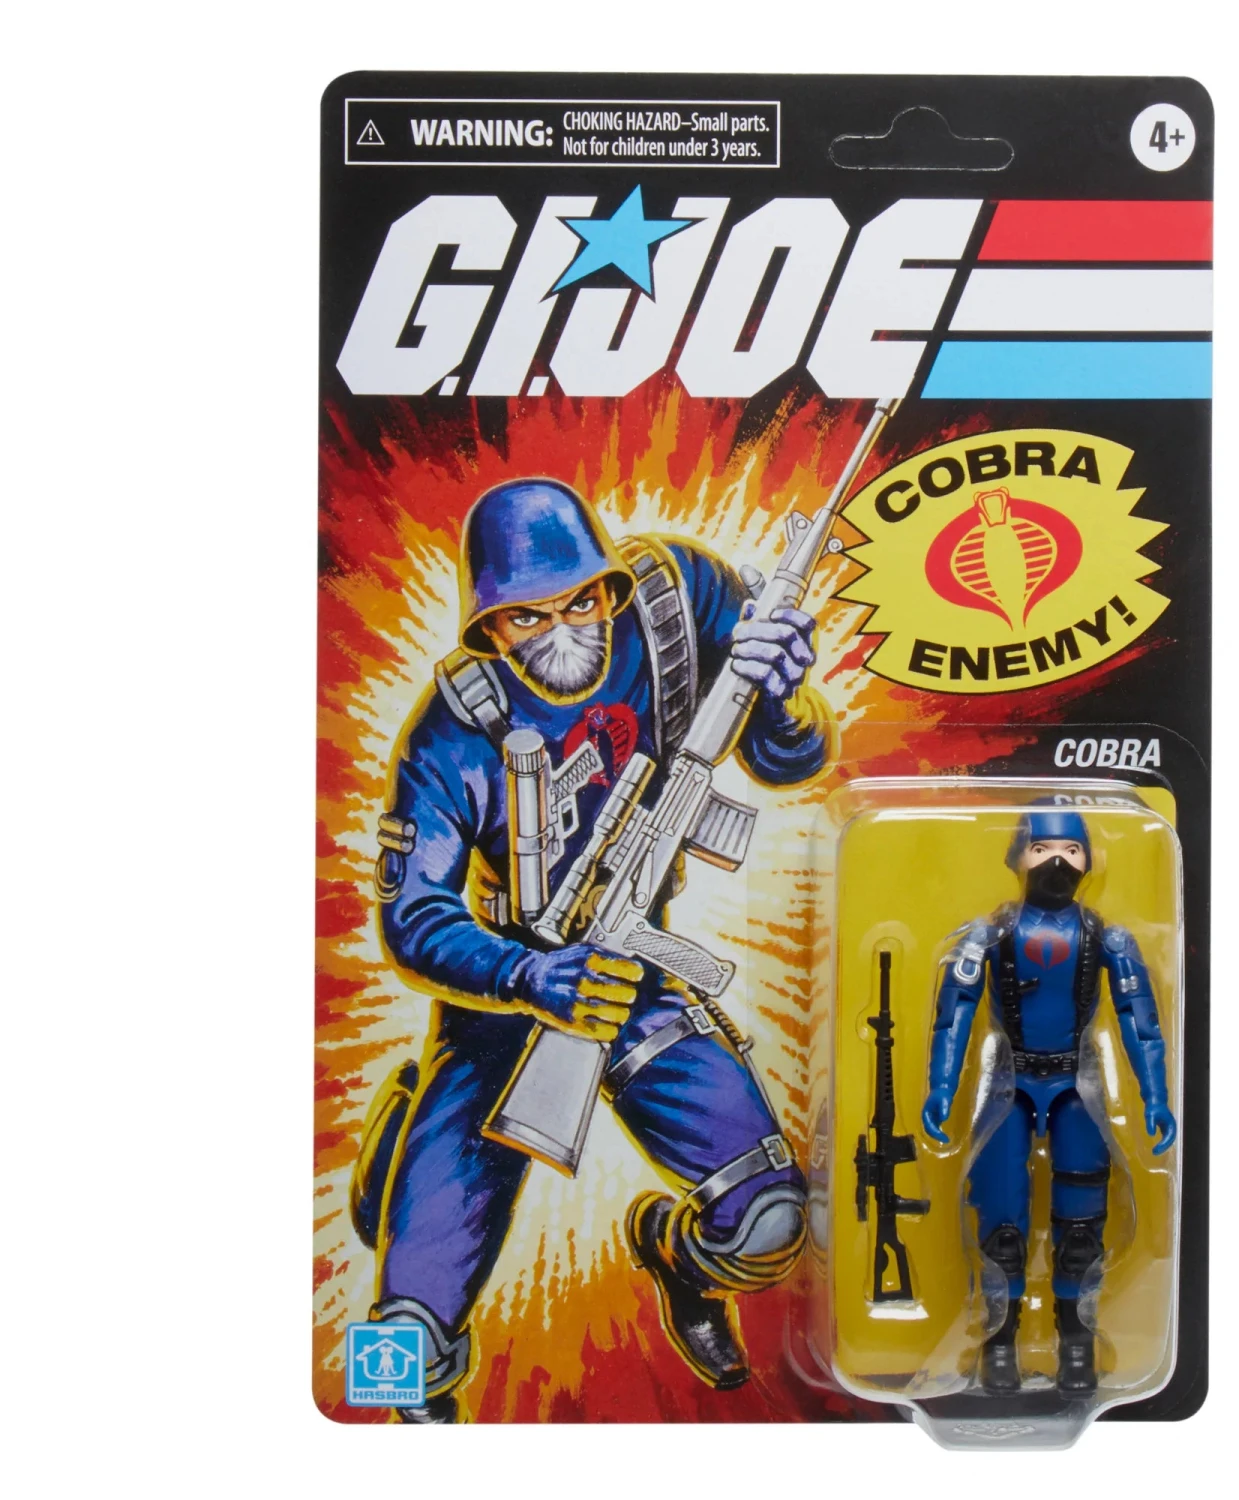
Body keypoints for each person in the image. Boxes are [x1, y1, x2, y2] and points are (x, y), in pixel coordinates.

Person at [352, 478, 833, 1421]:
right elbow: (414, 917)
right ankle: (395, 1167)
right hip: (501, 998)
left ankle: (676, 1259)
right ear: (489, 627)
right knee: (405, 1349)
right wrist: (529, 976)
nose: (563, 627)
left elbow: (794, 762)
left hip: (632, 972)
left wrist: (781, 697)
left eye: (582, 600)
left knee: (770, 1222)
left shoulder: (676, 599)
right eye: (527, 616)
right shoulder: (452, 731)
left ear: (610, 587)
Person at [922, 802, 1176, 1397]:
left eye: (1071, 850)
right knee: (1001, 1220)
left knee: (1083, 1224)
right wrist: (942, 1088)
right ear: (1017, 857)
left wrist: (1155, 1098)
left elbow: (1142, 1024)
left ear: (1088, 861)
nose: (1056, 861)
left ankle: (1077, 1342)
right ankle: (999, 1342)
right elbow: (953, 1016)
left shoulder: (1108, 938)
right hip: (1008, 1086)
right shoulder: (988, 935)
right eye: (1041, 849)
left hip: (1076, 1085)